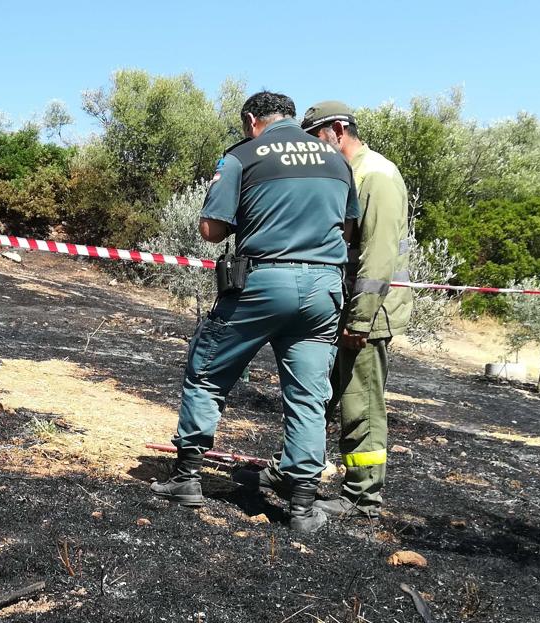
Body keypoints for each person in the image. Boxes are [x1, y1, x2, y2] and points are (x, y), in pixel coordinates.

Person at [150, 91, 359, 534]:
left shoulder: (243, 156)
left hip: (262, 283)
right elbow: (349, 226)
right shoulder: (337, 160)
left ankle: (187, 476)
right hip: (324, 289)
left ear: (251, 120)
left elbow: (211, 230)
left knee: (207, 372)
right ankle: (302, 504)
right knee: (308, 394)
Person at [301, 101, 413, 518]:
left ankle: (361, 497)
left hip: (368, 314)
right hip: (344, 309)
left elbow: (378, 258)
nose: (312, 147)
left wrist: (360, 319)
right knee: (323, 395)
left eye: (315, 137)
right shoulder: (348, 174)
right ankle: (296, 470)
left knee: (360, 403)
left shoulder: (377, 175)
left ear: (338, 129)